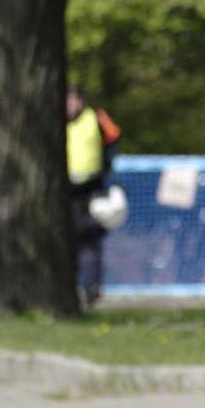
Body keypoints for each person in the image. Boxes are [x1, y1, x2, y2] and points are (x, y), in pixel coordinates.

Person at [66, 85, 121, 306]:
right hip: (63, 190)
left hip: (90, 188)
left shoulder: (96, 118)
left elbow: (114, 139)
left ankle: (90, 288)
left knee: (89, 238)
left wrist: (105, 170)